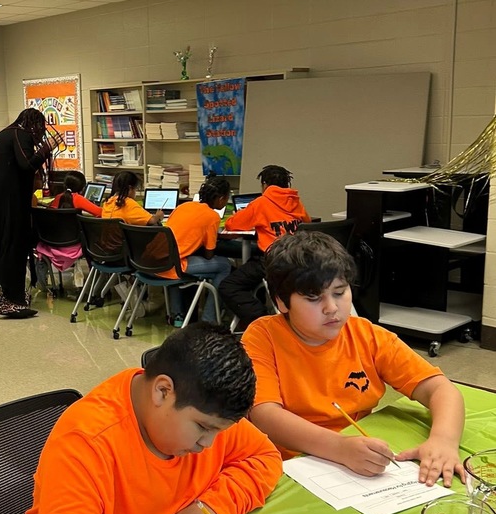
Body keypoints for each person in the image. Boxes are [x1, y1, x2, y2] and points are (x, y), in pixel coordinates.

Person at [0, 323, 282, 514]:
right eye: (202, 428)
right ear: (162, 391)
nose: (207, 444)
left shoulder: (203, 407)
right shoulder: (87, 439)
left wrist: (210, 508)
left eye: (218, 432)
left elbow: (263, 456)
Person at [243, 231, 466, 485]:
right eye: (314, 298)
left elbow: (441, 389)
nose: (332, 308)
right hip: (288, 467)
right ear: (282, 302)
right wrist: (339, 448)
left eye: (339, 292)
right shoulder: (263, 337)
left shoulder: (367, 336)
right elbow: (265, 416)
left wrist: (443, 441)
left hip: (355, 464)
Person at [0, 109, 61, 319]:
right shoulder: (21, 134)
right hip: (4, 198)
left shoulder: (4, 134)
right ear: (34, 124)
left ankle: (0, 291)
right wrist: (47, 149)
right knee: (13, 245)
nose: (42, 134)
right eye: (41, 128)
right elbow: (26, 164)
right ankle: (13, 302)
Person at [219, 165, 311, 330]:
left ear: (265, 184)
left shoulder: (262, 202)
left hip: (272, 261)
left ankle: (261, 319)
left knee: (230, 286)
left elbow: (232, 224)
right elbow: (307, 223)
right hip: (298, 260)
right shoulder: (296, 202)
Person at [160, 175, 232, 326]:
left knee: (188, 261)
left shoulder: (183, 206)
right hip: (175, 266)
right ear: (220, 199)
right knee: (225, 265)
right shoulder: (212, 216)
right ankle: (209, 319)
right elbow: (209, 254)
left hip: (157, 262)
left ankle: (178, 316)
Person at [35, 172, 101, 291]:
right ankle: (96, 283)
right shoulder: (79, 199)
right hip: (74, 245)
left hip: (53, 244)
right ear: (82, 187)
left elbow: (50, 210)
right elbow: (99, 212)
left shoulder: (58, 198)